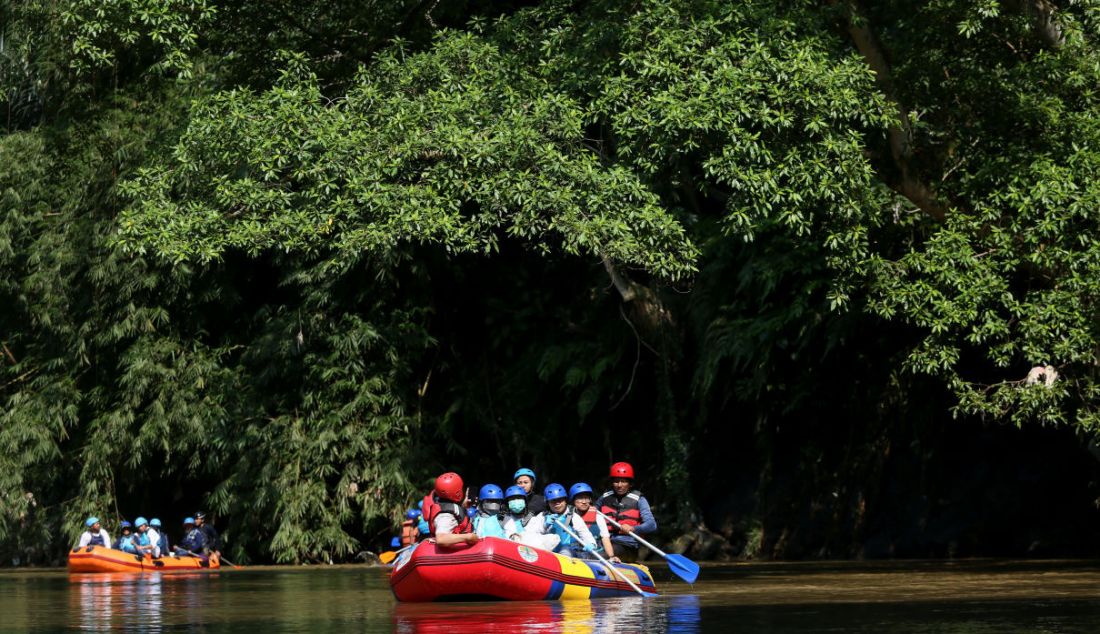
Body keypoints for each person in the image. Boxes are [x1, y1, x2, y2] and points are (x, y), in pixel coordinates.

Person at [597, 461, 657, 563]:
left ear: (630, 483)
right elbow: (589, 514)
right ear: (612, 483)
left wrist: (633, 528)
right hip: (604, 542)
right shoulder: (604, 498)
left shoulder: (639, 499)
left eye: (623, 481)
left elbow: (652, 525)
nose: (619, 485)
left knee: (599, 555)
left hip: (627, 546)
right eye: (616, 481)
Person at [539, 483, 597, 557]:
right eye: (553, 501)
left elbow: (585, 534)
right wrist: (544, 526)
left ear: (565, 501)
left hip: (568, 550)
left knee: (565, 551)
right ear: (548, 503)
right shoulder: (542, 516)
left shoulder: (572, 517)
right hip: (547, 549)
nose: (557, 504)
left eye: (560, 500)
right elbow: (532, 533)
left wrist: (591, 543)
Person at [421, 472, 479, 547]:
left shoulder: (448, 511)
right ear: (457, 493)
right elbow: (441, 539)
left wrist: (464, 507)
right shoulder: (445, 515)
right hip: (453, 555)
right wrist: (469, 537)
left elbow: (455, 521)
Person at [570, 482, 619, 562]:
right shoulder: (568, 516)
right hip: (574, 550)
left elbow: (605, 538)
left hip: (594, 552)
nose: (584, 502)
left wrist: (611, 556)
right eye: (580, 498)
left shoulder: (598, 517)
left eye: (587, 498)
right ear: (573, 500)